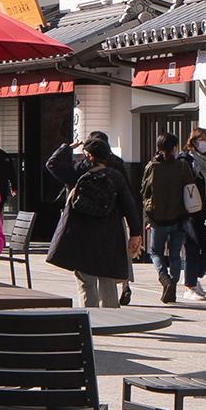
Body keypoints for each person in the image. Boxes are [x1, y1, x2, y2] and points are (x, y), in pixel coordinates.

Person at [47, 131, 138, 307]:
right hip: (110, 235)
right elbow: (129, 205)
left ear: (88, 155)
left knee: (86, 282)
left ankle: (91, 321)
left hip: (82, 235)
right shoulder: (116, 175)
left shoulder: (77, 173)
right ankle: (110, 321)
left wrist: (67, 148)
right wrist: (135, 233)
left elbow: (52, 164)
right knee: (108, 281)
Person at [140, 135, 205, 306]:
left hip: (157, 219)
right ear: (175, 147)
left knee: (155, 252)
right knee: (175, 255)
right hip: (179, 218)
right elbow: (190, 188)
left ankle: (164, 278)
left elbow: (144, 192)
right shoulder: (182, 166)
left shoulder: (152, 167)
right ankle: (173, 286)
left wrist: (148, 217)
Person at [176, 128, 206, 301]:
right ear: (193, 141)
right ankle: (190, 286)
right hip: (189, 213)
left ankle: (193, 276)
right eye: (201, 139)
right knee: (192, 248)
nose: (205, 142)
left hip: (205, 212)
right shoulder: (185, 161)